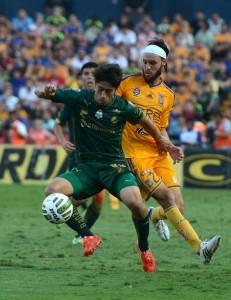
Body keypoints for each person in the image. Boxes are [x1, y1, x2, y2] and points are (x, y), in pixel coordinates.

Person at [35, 63, 178, 272]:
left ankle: (144, 249)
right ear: (96, 86)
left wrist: (160, 140)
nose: (103, 95)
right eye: (100, 89)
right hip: (87, 169)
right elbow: (42, 94)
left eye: (108, 91)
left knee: (136, 204)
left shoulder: (122, 106)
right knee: (52, 192)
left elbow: (146, 121)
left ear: (115, 90)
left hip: (115, 168)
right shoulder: (79, 97)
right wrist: (44, 92)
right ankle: (88, 236)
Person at [116, 37, 221, 264]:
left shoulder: (168, 95)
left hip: (159, 153)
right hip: (136, 154)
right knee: (166, 196)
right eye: (144, 62)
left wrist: (170, 146)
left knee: (178, 206)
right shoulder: (126, 84)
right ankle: (200, 248)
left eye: (152, 63)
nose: (147, 67)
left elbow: (161, 128)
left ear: (163, 63)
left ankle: (152, 215)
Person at [53, 62, 107, 246]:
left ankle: (79, 233)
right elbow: (57, 123)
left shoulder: (106, 99)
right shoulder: (74, 99)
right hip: (79, 158)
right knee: (79, 198)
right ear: (81, 78)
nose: (90, 76)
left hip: (100, 158)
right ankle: (62, 212)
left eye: (94, 73)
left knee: (99, 199)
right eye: (86, 73)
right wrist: (62, 141)